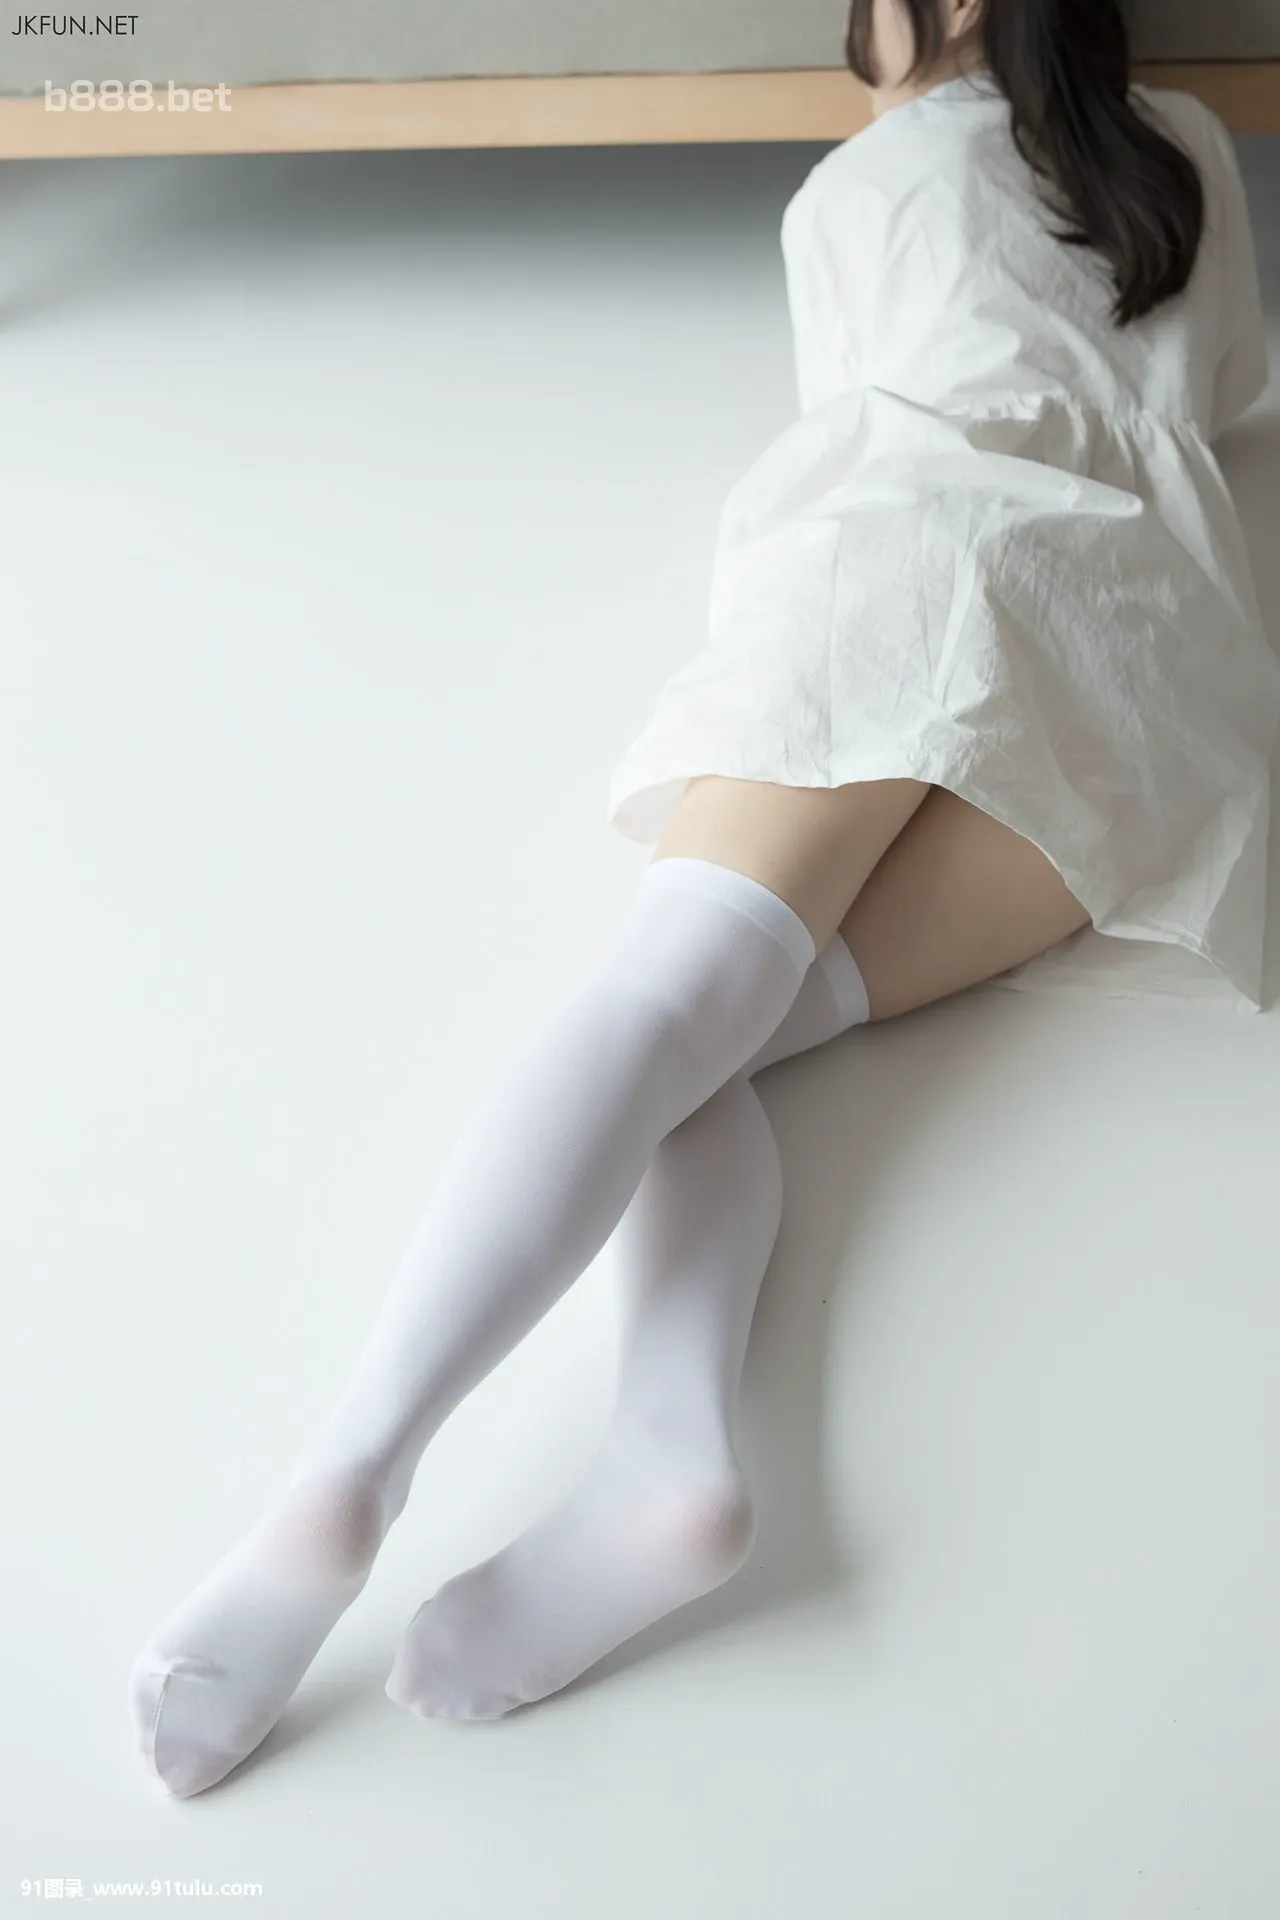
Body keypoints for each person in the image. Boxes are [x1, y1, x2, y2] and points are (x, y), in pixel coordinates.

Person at [128, 0, 1279, 1797]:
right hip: (1150, 700)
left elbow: (863, 415)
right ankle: (671, 1462)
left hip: (920, 568)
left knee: (670, 997)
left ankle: (343, 1476)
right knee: (714, 1047)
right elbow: (1228, 400)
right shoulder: (1193, 154)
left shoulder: (855, 186)